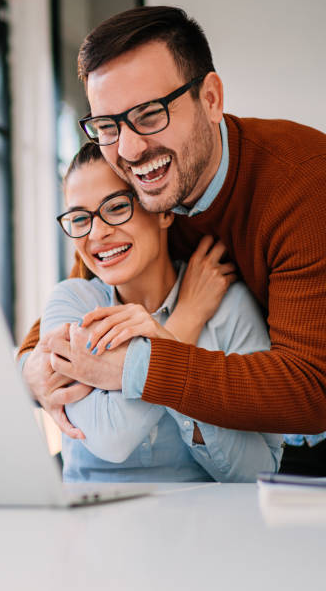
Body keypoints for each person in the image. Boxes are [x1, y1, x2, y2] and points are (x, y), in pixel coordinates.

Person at [19, 6, 326, 477]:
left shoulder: (311, 185)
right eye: (108, 126)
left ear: (210, 99)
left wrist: (135, 367)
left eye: (148, 114)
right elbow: (82, 285)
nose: (128, 150)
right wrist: (33, 370)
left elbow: (307, 392)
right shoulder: (144, 194)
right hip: (248, 432)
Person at [43, 141, 281, 482]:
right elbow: (114, 439)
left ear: (163, 210)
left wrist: (153, 363)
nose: (97, 232)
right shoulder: (72, 304)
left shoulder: (229, 307)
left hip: (201, 525)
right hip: (91, 526)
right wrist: (184, 324)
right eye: (80, 218)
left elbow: (259, 470)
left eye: (115, 207)